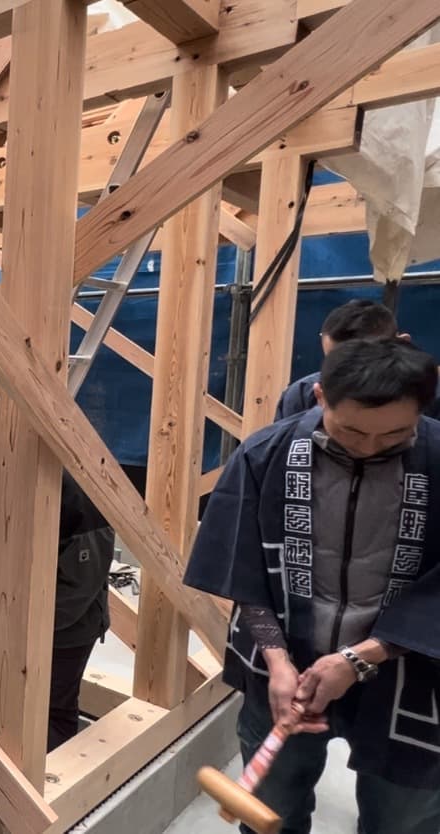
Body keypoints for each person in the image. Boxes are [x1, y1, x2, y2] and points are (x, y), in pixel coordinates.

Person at [184, 338, 440, 834]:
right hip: (286, 669)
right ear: (321, 396)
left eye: (394, 435)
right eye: (351, 430)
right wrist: (277, 662)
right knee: (274, 810)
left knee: (405, 820)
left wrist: (362, 657)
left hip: (410, 673)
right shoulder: (265, 454)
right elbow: (241, 567)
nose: (369, 446)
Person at [0, 422, 116, 750]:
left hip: (69, 628)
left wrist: (13, 623)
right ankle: (9, 770)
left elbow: (77, 590)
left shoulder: (76, 495)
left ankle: (45, 777)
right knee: (9, 704)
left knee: (53, 708)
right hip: (10, 616)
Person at [274, 299, 428, 420]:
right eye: (335, 363)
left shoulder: (429, 395)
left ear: (402, 344)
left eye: (364, 363)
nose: (350, 378)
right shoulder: (300, 396)